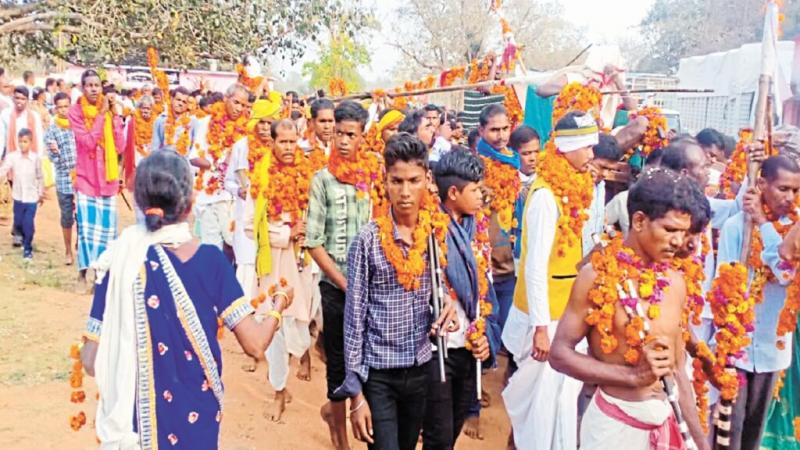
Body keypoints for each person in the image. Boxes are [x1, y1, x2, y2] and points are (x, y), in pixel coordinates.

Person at [79, 150, 292, 449]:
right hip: (197, 423)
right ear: (190, 204)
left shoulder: (119, 262)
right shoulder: (211, 261)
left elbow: (91, 361)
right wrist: (281, 301)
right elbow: (255, 344)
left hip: (134, 429)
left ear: (139, 202)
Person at [548, 168, 708, 450]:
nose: (678, 242)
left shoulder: (676, 282)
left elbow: (678, 372)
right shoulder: (595, 277)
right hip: (612, 426)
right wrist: (632, 377)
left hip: (666, 422)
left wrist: (701, 442)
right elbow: (559, 354)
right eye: (670, 230)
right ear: (639, 221)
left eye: (683, 233)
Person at [336, 132, 458, 450]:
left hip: (419, 367)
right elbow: (354, 318)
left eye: (414, 181)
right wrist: (356, 395)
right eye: (397, 181)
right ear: (385, 181)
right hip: (378, 375)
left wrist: (447, 306)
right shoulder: (368, 239)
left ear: (427, 180)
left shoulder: (434, 232)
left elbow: (442, 286)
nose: (405, 192)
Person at [502, 111, 597, 450]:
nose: (590, 155)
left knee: (560, 402)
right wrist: (541, 327)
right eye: (586, 147)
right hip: (544, 318)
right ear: (568, 147)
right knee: (536, 408)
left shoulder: (574, 186)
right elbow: (535, 267)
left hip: (565, 312)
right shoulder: (544, 195)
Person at [715, 155, 800, 450]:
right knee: (728, 433)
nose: (790, 198)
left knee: (754, 433)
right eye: (783, 189)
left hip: (771, 347)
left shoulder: (795, 230)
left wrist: (764, 224)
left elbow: (785, 271)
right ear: (762, 184)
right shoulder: (737, 227)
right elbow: (722, 289)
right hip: (736, 348)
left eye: (795, 190)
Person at [423, 149, 501, 450]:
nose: (482, 195)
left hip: (469, 347)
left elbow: (486, 290)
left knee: (453, 428)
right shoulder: (428, 229)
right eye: (475, 190)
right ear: (453, 193)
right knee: (438, 436)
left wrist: (486, 336)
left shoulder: (476, 229)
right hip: (436, 348)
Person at [306, 100, 371, 450]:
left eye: (351, 134)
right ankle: (340, 438)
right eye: (339, 133)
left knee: (369, 359)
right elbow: (313, 242)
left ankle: (343, 415)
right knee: (339, 364)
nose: (343, 141)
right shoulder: (322, 180)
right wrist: (347, 285)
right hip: (336, 287)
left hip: (371, 289)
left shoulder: (372, 177)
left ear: (363, 136)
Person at [258, 119, 318, 422]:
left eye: (293, 142)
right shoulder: (262, 177)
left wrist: (308, 233)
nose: (289, 148)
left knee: (302, 331)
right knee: (276, 330)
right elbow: (250, 227)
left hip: (303, 264)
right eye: (283, 142)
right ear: (273, 142)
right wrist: (286, 234)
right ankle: (279, 391)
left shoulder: (308, 175)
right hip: (274, 266)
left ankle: (300, 359)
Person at [68, 69, 125, 291]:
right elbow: (89, 143)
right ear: (83, 88)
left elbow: (119, 147)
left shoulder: (109, 111)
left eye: (97, 85)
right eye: (89, 85)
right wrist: (102, 115)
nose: (93, 89)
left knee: (107, 232)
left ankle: (100, 278)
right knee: (86, 230)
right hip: (86, 179)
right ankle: (82, 275)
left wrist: (115, 115)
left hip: (107, 181)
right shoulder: (75, 112)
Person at [225, 99, 281, 300]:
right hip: (246, 217)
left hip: (271, 219)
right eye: (262, 123)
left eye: (270, 123)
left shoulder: (280, 147)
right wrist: (237, 190)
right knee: (246, 265)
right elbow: (228, 181)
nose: (266, 128)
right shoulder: (241, 146)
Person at [193, 83, 249, 250]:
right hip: (210, 196)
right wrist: (216, 164)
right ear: (226, 99)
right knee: (211, 249)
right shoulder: (206, 123)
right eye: (236, 102)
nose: (239, 108)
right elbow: (193, 157)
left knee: (235, 248)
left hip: (235, 198)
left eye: (243, 105)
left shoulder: (247, 129)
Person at [45, 92, 78, 265]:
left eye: (66, 106)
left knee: (82, 215)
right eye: (60, 107)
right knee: (67, 217)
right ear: (55, 108)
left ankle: (81, 244)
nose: (64, 110)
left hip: (82, 179)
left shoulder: (78, 125)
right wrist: (56, 153)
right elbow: (51, 156)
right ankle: (68, 250)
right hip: (64, 179)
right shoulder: (52, 130)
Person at [0, 128, 43, 260]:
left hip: (31, 198)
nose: (23, 144)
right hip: (18, 197)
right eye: (20, 142)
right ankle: (23, 236)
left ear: (30, 142)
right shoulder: (13, 157)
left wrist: (40, 192)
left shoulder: (35, 158)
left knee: (28, 222)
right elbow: (4, 169)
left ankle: (28, 249)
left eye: (25, 142)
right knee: (18, 221)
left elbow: (40, 176)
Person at [583, 134, 622, 255]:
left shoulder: (601, 185)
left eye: (610, 169)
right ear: (589, 158)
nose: (605, 174)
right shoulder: (574, 184)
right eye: (602, 167)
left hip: (590, 257)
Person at [510, 125, 540, 268]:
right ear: (514, 153)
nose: (533, 158)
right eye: (526, 153)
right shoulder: (504, 181)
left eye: (536, 152)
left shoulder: (548, 181)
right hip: (512, 256)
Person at [0, 86, 45, 156]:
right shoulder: (5, 114)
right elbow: (1, 137)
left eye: (23, 99)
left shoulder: (34, 116)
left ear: (27, 100)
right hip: (11, 157)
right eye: (17, 98)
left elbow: (39, 138)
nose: (19, 101)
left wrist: (39, 158)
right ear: (13, 98)